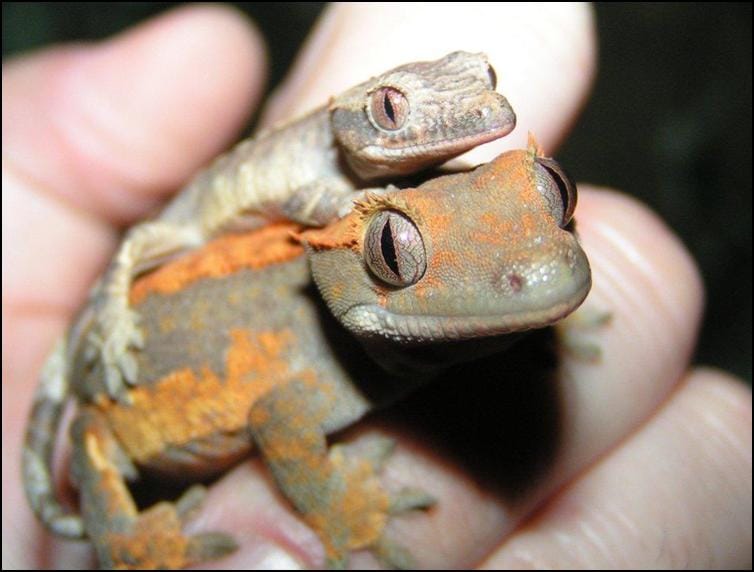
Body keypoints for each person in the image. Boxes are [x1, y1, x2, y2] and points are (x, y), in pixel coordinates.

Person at [3, 4, 750, 568]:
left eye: (552, 195)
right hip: (117, 421)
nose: (540, 263)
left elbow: (495, 239)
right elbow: (283, 422)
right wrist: (334, 502)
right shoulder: (316, 281)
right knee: (99, 446)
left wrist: (524, 320)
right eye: (395, 253)